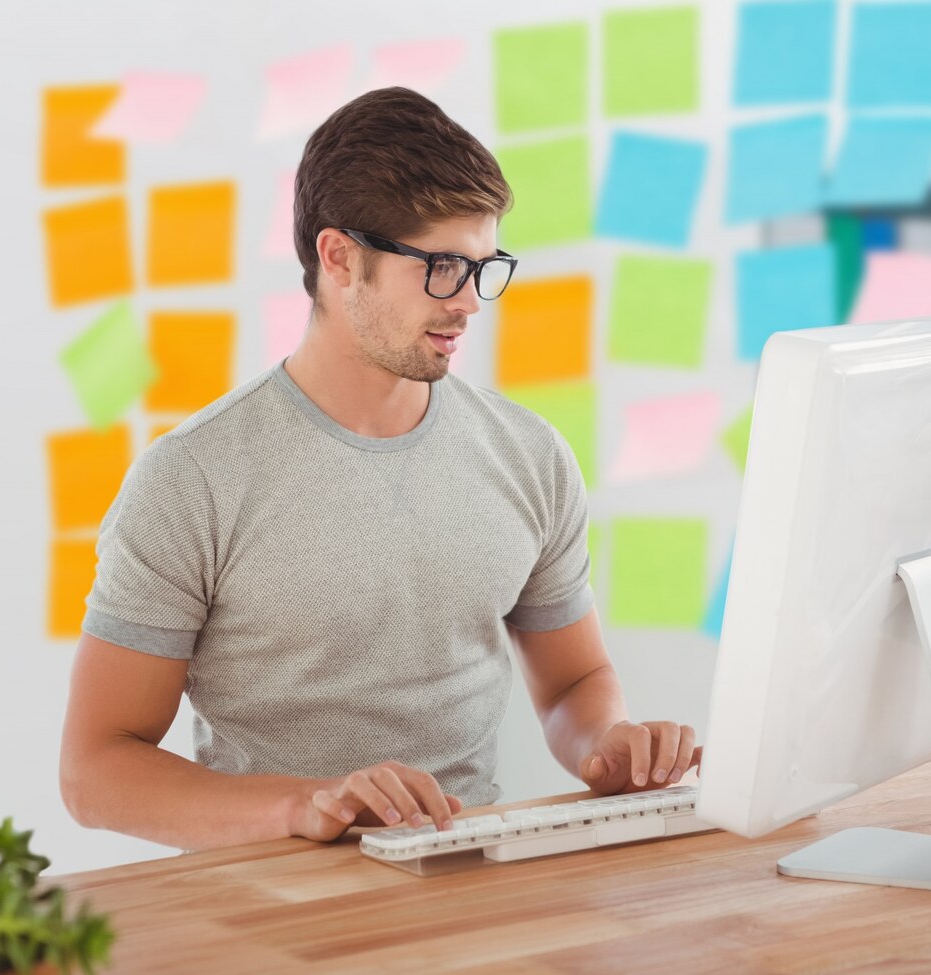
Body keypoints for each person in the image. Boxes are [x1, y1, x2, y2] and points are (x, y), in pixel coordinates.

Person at [59, 87, 702, 851]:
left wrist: (605, 743)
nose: (468, 302)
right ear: (339, 258)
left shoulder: (529, 456)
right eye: (439, 268)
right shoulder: (193, 478)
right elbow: (95, 771)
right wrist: (306, 805)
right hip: (275, 907)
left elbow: (572, 683)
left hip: (467, 888)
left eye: (481, 267)